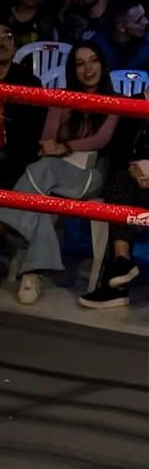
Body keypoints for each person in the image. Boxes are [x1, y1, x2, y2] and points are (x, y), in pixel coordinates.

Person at [0, 42, 119, 305]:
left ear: (102, 65)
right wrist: (55, 146)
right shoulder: (62, 97)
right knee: (43, 204)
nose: (87, 69)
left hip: (88, 174)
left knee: (41, 169)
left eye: (92, 61)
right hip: (53, 172)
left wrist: (66, 146)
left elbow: (102, 140)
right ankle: (32, 275)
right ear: (73, 69)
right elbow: (47, 137)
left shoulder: (114, 100)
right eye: (80, 63)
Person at [79, 87, 148, 308]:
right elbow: (117, 151)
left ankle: (117, 277)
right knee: (118, 178)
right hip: (133, 185)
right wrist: (135, 170)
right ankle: (121, 262)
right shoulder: (132, 104)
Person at [0, 3, 45, 192]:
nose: (1, 41)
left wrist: (2, 157)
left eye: (7, 36)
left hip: (14, 161)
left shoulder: (30, 83)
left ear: (15, 46)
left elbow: (31, 137)